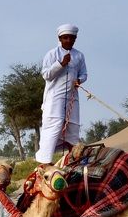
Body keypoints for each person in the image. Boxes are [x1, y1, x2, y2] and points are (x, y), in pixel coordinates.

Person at [35, 24, 88, 164]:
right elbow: (46, 75)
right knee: (54, 124)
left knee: (73, 126)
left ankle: (74, 160)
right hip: (55, 97)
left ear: (75, 39)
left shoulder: (79, 55)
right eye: (66, 38)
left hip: (72, 97)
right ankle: (45, 162)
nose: (69, 40)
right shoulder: (52, 54)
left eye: (72, 38)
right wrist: (61, 64)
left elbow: (84, 74)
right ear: (60, 38)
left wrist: (79, 80)